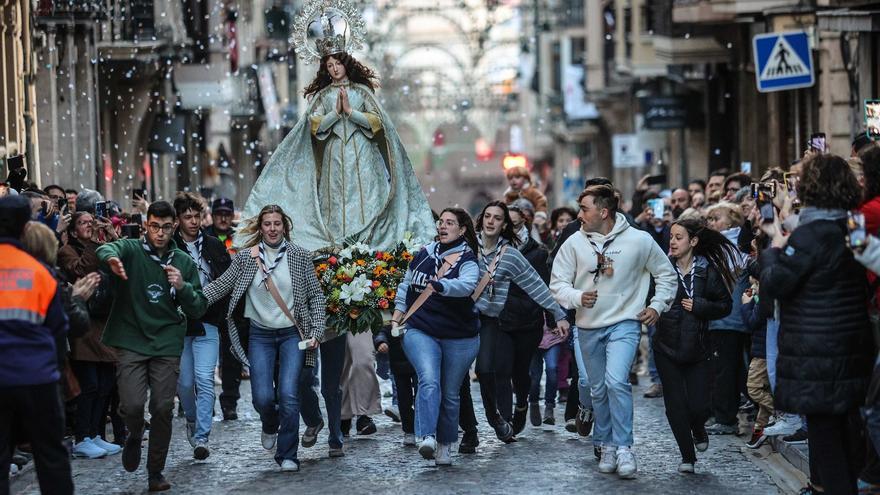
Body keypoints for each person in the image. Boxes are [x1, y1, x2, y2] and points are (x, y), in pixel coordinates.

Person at [239, 50, 435, 252]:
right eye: (330, 65)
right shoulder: (323, 96)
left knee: (365, 198)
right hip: (334, 156)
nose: (334, 69)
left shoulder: (361, 92)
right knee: (334, 201)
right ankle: (339, 245)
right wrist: (335, 113)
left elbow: (377, 121)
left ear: (346, 64)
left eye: (338, 64)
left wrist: (351, 112)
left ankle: (366, 246)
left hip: (362, 151)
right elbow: (314, 126)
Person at [761, 153, 873, 494]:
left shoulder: (810, 236)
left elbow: (776, 282)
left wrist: (775, 248)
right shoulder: (851, 226)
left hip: (817, 348)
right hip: (852, 342)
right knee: (845, 430)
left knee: (827, 439)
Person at [550, 184, 677, 479]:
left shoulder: (639, 240)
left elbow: (666, 274)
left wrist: (657, 306)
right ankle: (604, 443)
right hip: (587, 327)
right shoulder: (574, 243)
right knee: (597, 389)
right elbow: (557, 284)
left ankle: (624, 447)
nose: (579, 215)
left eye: (584, 209)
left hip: (625, 322)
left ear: (603, 211)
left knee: (616, 381)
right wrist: (577, 297)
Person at [203, 204, 326, 471]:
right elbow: (221, 285)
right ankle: (270, 423)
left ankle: (288, 455)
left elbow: (316, 296)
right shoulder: (247, 258)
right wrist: (187, 301)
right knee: (261, 397)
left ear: (285, 227)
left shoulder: (299, 256)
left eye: (277, 224)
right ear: (260, 228)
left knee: (289, 393)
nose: (272, 229)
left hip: (292, 334)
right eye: (267, 224)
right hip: (260, 334)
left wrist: (316, 331)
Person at [97, 201, 208, 492]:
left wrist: (182, 287)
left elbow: (198, 308)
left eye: (166, 227)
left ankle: (155, 471)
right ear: (146, 224)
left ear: (174, 227)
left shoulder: (182, 261)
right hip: (131, 339)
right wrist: (111, 261)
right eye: (154, 226)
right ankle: (134, 433)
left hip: (167, 341)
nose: (159, 233)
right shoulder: (132, 250)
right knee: (133, 405)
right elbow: (106, 249)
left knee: (162, 407)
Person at [459, 201, 569, 451]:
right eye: (487, 216)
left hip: (489, 320)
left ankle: (500, 415)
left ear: (505, 225)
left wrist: (558, 313)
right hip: (460, 317)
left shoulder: (510, 255)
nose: (490, 221)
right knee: (457, 377)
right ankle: (477, 427)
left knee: (487, 370)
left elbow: (536, 285)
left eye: (497, 218)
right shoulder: (466, 247)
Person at [391, 208, 481, 466]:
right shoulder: (423, 253)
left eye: (450, 223)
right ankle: (427, 437)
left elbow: (467, 286)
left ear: (462, 229)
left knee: (451, 393)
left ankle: (445, 444)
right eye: (441, 222)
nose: (443, 226)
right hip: (421, 328)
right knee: (429, 380)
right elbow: (405, 286)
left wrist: (442, 285)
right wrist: (398, 316)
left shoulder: (467, 259)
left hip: (460, 336)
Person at [0, 197, 73, 495]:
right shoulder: (40, 273)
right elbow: (58, 329)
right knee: (51, 455)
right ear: (25, 227)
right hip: (37, 378)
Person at [653, 218, 737, 473]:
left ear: (693, 241)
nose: (673, 242)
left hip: (699, 349)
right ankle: (687, 457)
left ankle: (698, 428)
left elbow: (725, 305)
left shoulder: (707, 270)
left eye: (679, 237)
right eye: (671, 237)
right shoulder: (662, 268)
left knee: (700, 405)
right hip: (666, 347)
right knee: (675, 405)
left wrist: (700, 306)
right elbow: (647, 295)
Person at [58, 211, 122, 459]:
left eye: (91, 221)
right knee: (90, 385)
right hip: (85, 328)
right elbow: (81, 270)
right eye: (83, 223)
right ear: (73, 231)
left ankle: (95, 434)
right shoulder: (67, 251)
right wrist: (95, 243)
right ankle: (82, 436)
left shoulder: (102, 245)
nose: (89, 226)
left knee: (105, 384)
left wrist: (113, 237)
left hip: (104, 324)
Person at [172, 193, 232, 460]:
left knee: (205, 379)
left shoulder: (213, 245)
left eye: (197, 216)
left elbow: (228, 277)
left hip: (208, 320)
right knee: (185, 383)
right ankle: (193, 421)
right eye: (187, 217)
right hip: (180, 323)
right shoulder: (170, 247)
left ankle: (202, 437)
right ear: (178, 219)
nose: (194, 221)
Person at [702, 201, 751, 436]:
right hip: (728, 316)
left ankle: (725, 417)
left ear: (731, 220)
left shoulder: (729, 245)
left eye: (715, 218)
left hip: (727, 317)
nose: (711, 223)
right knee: (734, 368)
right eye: (709, 219)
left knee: (725, 368)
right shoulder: (726, 245)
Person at [204, 197, 245, 420]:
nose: (222, 218)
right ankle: (204, 401)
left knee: (231, 357)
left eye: (226, 214)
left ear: (232, 216)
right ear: (212, 214)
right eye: (219, 213)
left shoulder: (240, 237)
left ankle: (230, 402)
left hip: (233, 305)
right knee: (205, 358)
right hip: (210, 305)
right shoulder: (203, 236)